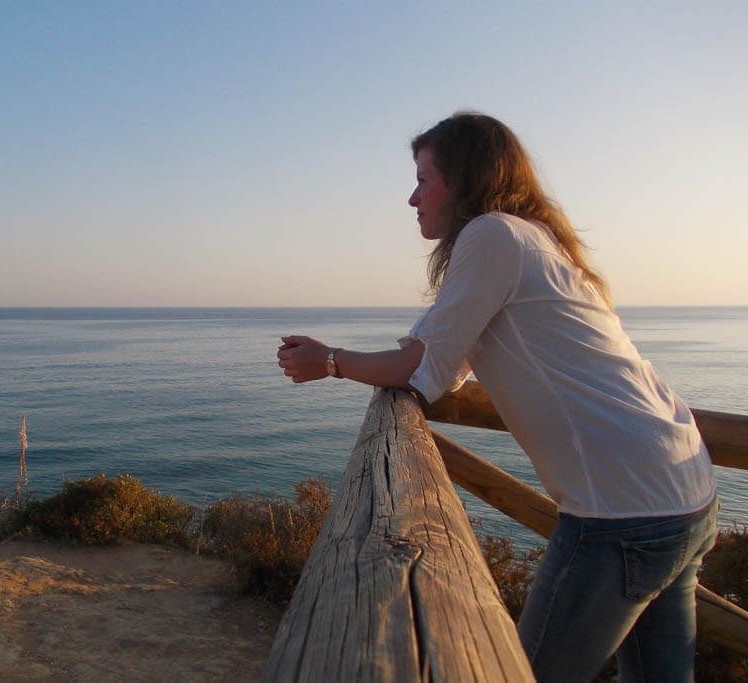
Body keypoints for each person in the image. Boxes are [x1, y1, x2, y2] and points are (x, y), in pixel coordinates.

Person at [275, 112, 717, 683]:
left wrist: (330, 362)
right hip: (687, 492)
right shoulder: (532, 238)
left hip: (623, 510)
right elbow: (447, 363)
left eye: (423, 179)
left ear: (463, 182)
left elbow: (420, 368)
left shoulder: (491, 234)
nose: (412, 198)